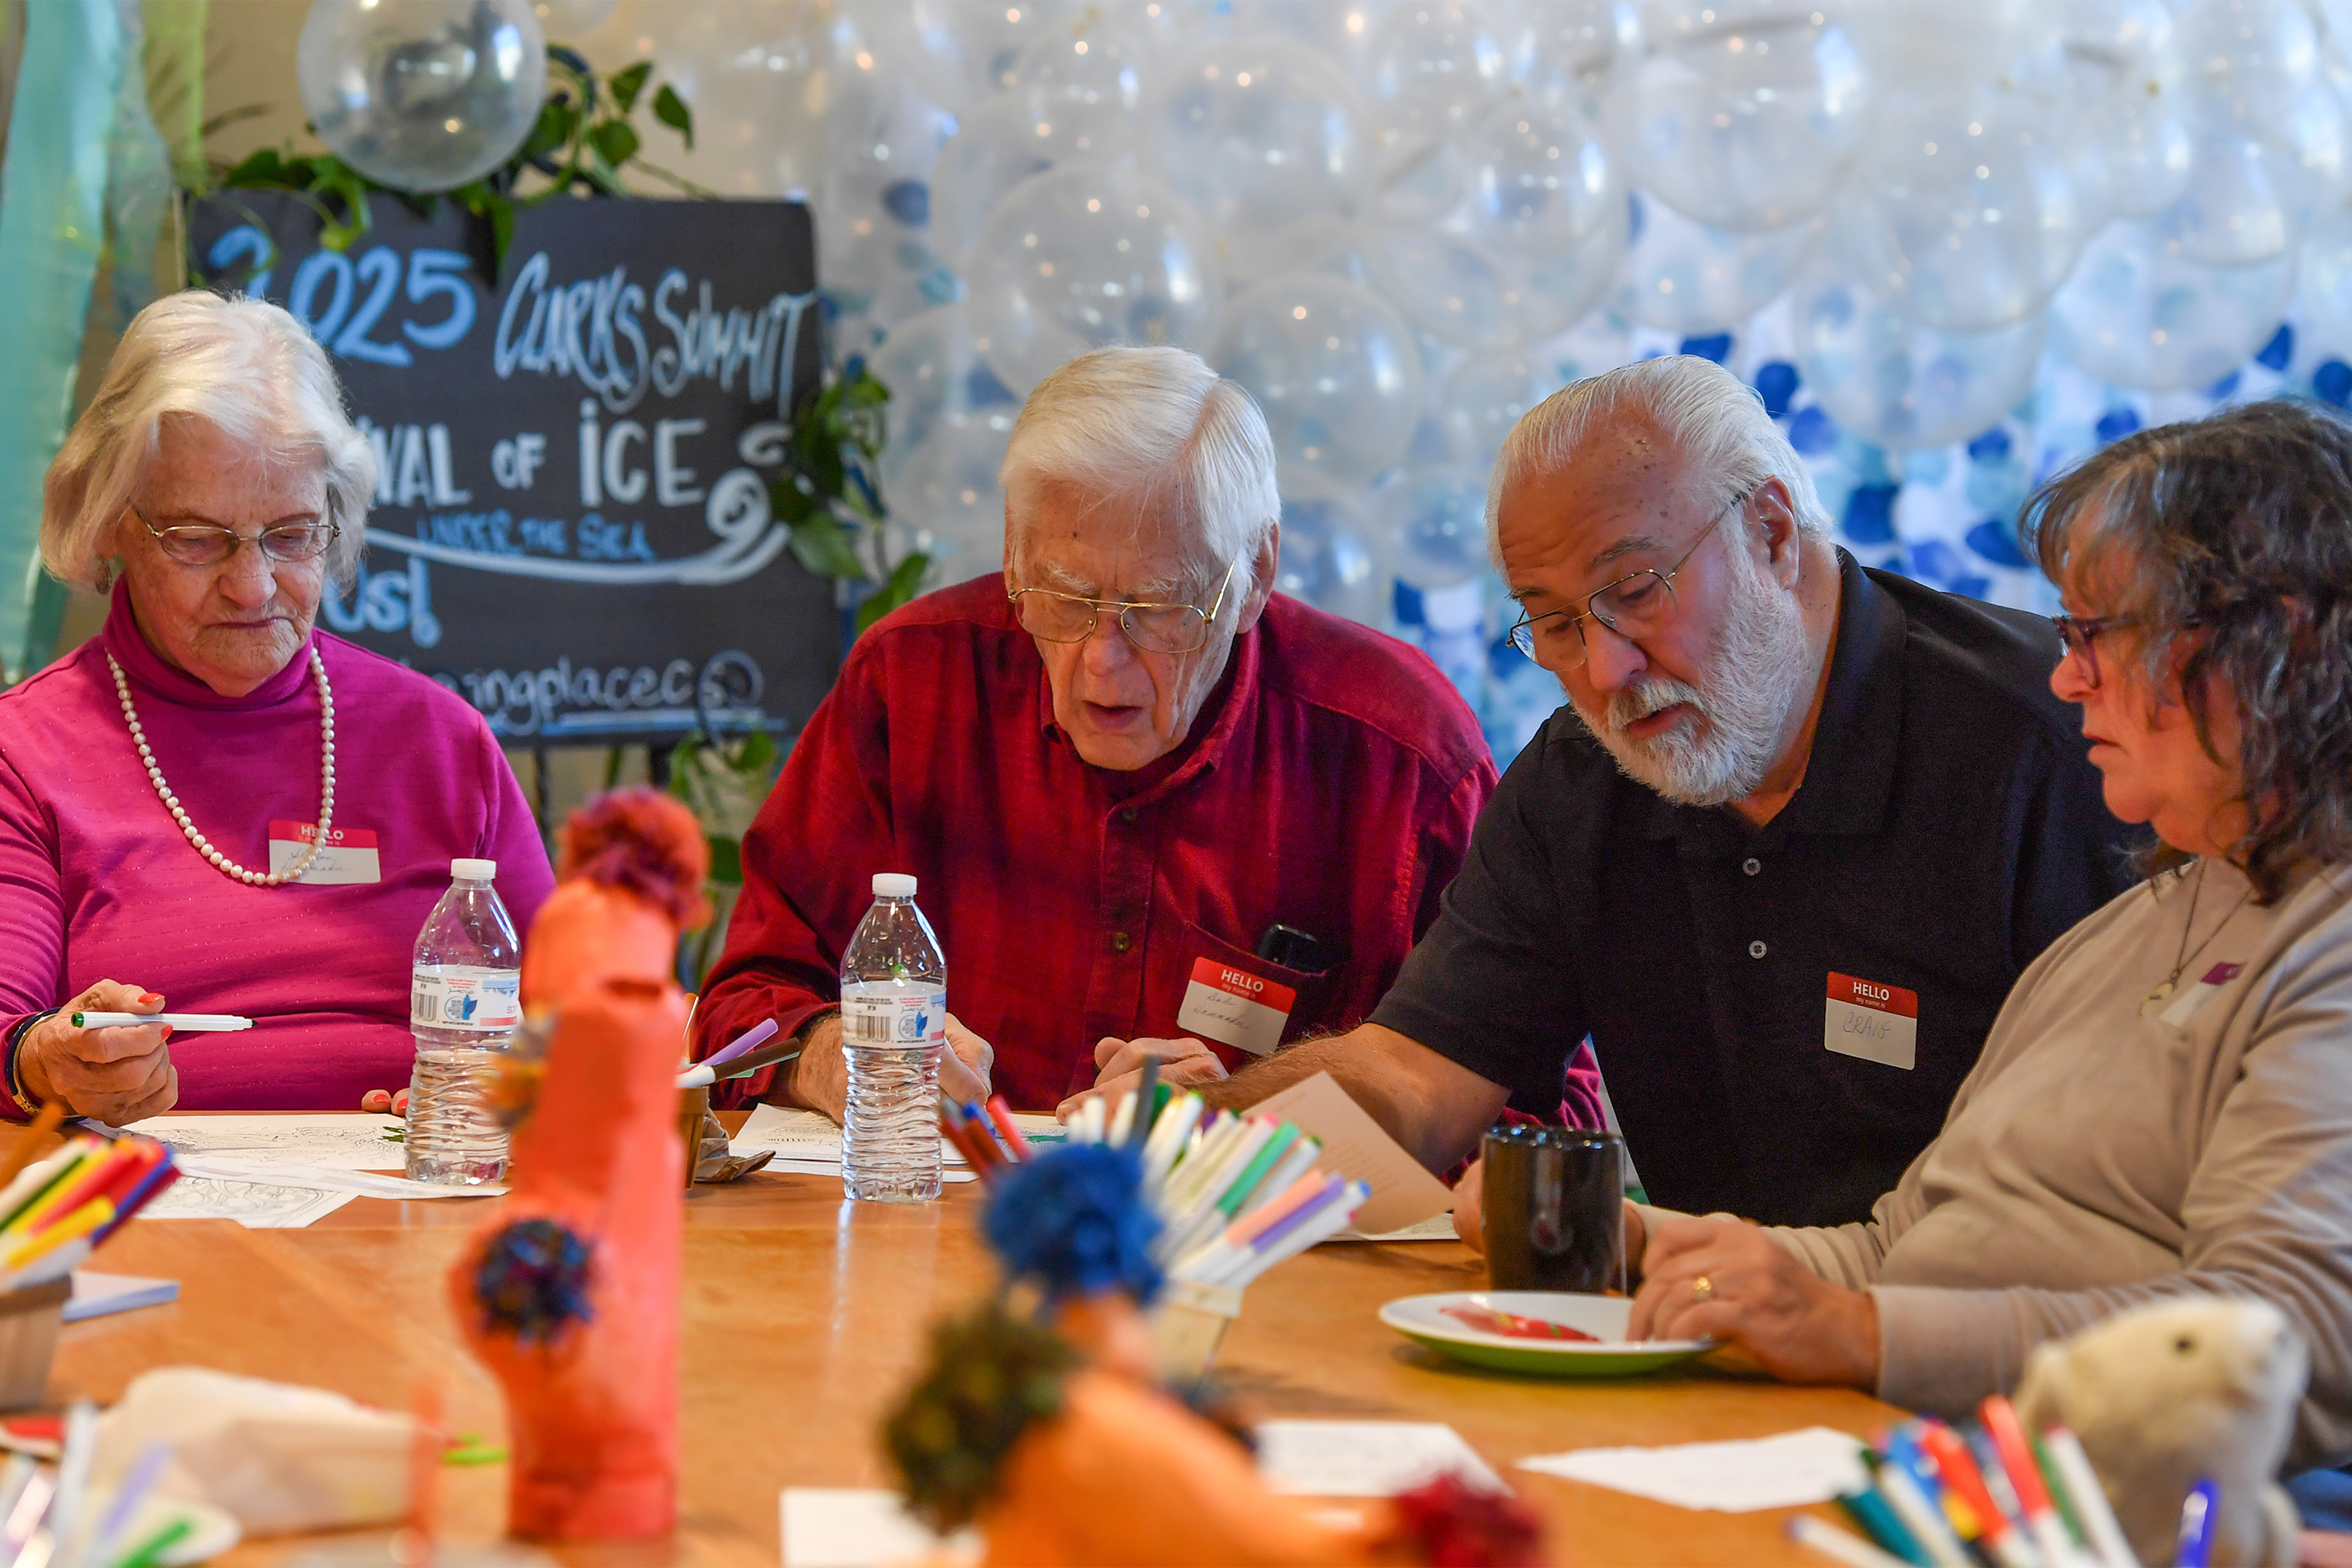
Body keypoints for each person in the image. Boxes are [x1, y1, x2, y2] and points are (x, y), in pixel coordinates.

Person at [1091, 356, 2140, 1226]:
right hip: (1690, 1356)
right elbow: (1411, 1082)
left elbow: (2125, 1205)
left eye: (1634, 592)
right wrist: (1198, 1138)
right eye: (1550, 622)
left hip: (1975, 1384)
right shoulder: (1580, 783)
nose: (1603, 671)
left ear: (1772, 533)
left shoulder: (2055, 751)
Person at [1597, 399, 2352, 1474]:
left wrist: (1864, 1339)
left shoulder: (2329, 943)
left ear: (2274, 641)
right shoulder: (2135, 924)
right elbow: (1903, 1247)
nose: (2063, 677)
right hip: (1920, 1457)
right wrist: (1661, 1249)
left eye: (2097, 633)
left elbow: (2287, 1340)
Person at [691, 346, 1498, 1117]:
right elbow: (740, 1008)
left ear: (1254, 574)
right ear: (1013, 555)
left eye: (1162, 611)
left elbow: (1539, 1110)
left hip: (1260, 1249)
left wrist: (1249, 1108)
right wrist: (841, 1055)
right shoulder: (910, 684)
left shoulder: (1402, 756)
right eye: (1065, 598)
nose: (1102, 664)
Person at [0, 291, 553, 1124]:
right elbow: (7, 1034)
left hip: (422, 1200)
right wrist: (47, 1059)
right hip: (154, 1207)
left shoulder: (439, 742)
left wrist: (513, 1086)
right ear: (110, 517)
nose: (253, 586)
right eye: (194, 537)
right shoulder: (28, 753)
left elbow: (573, 1011)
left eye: (292, 535)